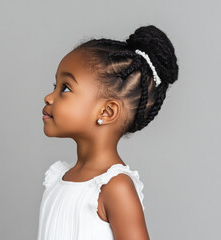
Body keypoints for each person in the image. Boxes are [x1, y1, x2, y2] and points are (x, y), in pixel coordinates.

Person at [38, 25, 179, 240]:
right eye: (55, 85)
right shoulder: (58, 178)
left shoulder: (114, 187)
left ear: (107, 111)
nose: (49, 97)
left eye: (65, 88)